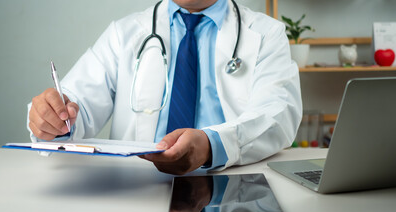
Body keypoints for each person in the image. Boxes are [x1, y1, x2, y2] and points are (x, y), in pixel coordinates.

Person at [27, 0, 302, 175]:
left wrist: (210, 145)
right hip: (134, 187)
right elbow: (77, 104)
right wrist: (54, 119)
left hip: (230, 182)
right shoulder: (123, 33)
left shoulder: (266, 33)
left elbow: (277, 116)